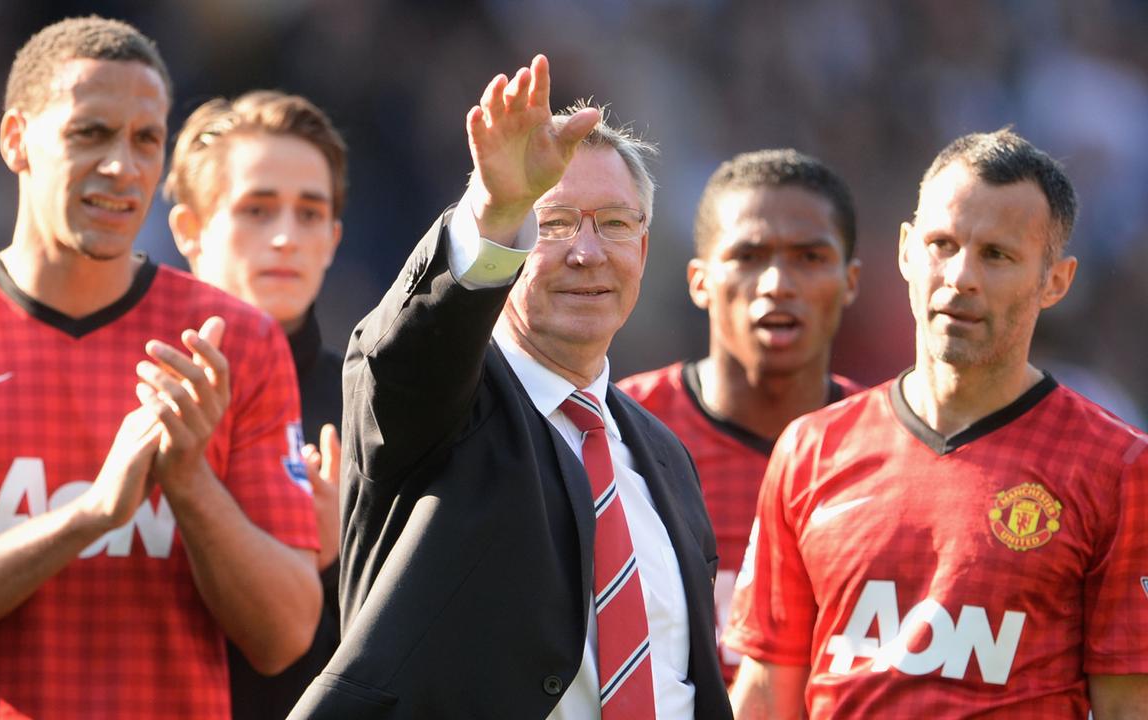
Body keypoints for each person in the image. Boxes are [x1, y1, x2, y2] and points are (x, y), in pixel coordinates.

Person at [0, 17, 323, 719]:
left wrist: (192, 482)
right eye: (91, 133)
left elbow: (285, 634)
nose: (123, 166)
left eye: (146, 140)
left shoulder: (235, 345)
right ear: (15, 140)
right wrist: (89, 516)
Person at [290, 55, 730, 720]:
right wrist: (496, 211)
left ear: (643, 250)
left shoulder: (663, 457)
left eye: (614, 223)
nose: (587, 252)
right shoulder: (450, 401)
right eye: (553, 224)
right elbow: (406, 358)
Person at [724, 129, 1148, 717]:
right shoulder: (811, 450)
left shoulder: (1116, 468)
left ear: (1056, 281)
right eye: (941, 244)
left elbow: (1131, 706)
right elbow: (766, 693)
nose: (960, 276)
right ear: (904, 251)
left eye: (996, 255)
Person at [617, 149, 863, 683]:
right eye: (748, 256)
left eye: (810, 257)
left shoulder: (891, 448)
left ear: (850, 281)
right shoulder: (617, 434)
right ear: (699, 280)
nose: (777, 283)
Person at [164, 89, 347, 719]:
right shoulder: (137, 388)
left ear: (333, 238)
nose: (285, 238)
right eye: (256, 209)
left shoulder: (378, 409)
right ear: (190, 228)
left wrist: (334, 570)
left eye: (309, 214)